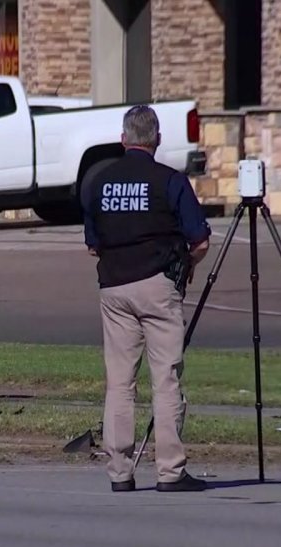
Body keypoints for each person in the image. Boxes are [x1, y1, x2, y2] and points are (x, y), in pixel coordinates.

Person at [82, 105, 212, 493]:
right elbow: (201, 240)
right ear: (156, 139)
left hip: (113, 286)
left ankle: (120, 471)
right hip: (157, 284)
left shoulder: (100, 181)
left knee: (120, 383)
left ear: (123, 139)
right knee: (165, 378)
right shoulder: (169, 180)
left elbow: (92, 245)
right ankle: (170, 471)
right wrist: (186, 264)